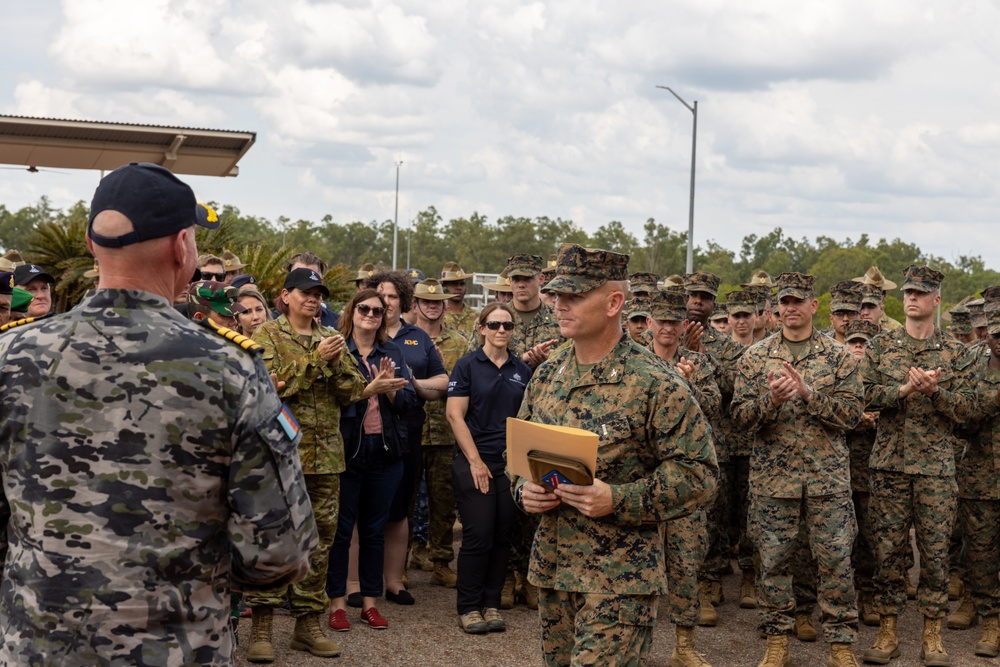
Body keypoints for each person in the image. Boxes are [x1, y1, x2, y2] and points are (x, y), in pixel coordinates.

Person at [0, 161, 318, 665]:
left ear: (90, 244)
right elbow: (277, 554)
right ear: (182, 246)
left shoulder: (12, 354)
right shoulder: (230, 367)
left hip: (40, 646)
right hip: (176, 647)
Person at [512, 243, 717, 667]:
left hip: (620, 578)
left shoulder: (654, 382)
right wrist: (523, 491)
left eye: (574, 296)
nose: (560, 305)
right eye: (557, 295)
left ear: (614, 303)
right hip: (553, 569)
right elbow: (518, 455)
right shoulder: (548, 374)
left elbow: (699, 473)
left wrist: (620, 499)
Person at [244, 267, 380, 662]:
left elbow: (353, 390)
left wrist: (336, 364)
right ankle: (263, 628)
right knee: (273, 540)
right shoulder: (266, 336)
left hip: (325, 459)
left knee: (318, 545)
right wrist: (316, 361)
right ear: (286, 296)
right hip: (280, 458)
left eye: (318, 293)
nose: (313, 299)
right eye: (305, 292)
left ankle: (307, 625)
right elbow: (269, 385)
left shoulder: (330, 337)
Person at [731, 272, 864, 667]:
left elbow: (853, 416)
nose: (790, 308)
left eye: (797, 301)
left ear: (813, 306)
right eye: (784, 302)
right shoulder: (756, 357)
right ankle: (777, 640)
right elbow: (738, 417)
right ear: (775, 309)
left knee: (837, 561)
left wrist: (809, 394)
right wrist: (769, 402)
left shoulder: (837, 355)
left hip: (827, 480)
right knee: (772, 562)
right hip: (775, 480)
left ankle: (840, 644)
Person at [861, 265, 979, 667]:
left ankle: (932, 635)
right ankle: (888, 629)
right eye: (908, 291)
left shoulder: (956, 353)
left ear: (936, 300)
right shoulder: (880, 347)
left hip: (936, 470)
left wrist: (935, 393)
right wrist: (904, 389)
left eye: (921, 292)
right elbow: (863, 395)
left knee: (935, 554)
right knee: (888, 551)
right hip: (889, 467)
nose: (912, 298)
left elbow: (968, 411)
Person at [356, 272, 448, 605]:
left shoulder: (418, 338)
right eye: (379, 296)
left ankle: (394, 580)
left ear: (403, 301)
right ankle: (356, 583)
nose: (385, 302)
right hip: (362, 432)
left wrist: (416, 386)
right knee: (359, 510)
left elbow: (443, 380)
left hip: (406, 431)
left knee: (398, 509)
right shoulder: (358, 334)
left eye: (392, 297)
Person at [327, 289, 416, 632]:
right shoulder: (336, 348)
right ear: (352, 311)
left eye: (377, 311)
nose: (370, 314)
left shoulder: (391, 350)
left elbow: (407, 403)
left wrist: (389, 389)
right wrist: (370, 388)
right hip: (347, 451)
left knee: (375, 531)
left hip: (385, 451)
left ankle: (370, 603)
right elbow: (332, 398)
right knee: (341, 532)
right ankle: (336, 603)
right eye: (364, 308)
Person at [645, 288, 721, 666]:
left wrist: (686, 385)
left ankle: (684, 646)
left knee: (686, 562)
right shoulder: (636, 363)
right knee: (640, 564)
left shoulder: (698, 362)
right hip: (643, 478)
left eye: (675, 321)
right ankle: (637, 645)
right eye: (661, 321)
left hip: (685, 480)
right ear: (648, 324)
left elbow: (714, 409)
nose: (668, 329)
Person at [446, 303, 532, 635]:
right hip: (474, 460)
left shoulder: (521, 371)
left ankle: (491, 603)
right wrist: (476, 462)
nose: (501, 331)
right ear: (481, 328)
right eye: (494, 325)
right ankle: (468, 607)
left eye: (507, 326)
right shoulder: (467, 366)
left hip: (510, 465)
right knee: (478, 534)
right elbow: (455, 415)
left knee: (502, 535)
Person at [683, 272, 745, 625]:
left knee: (711, 520)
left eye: (704, 297)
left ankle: (707, 583)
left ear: (713, 305)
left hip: (712, 443)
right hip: (670, 445)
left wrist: (701, 355)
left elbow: (731, 390)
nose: (697, 302)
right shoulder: (663, 335)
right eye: (692, 295)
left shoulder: (728, 349)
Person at [505, 253, 563, 609]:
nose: (521, 284)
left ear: (541, 279)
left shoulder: (555, 321)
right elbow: (474, 362)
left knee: (537, 499)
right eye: (515, 278)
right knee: (507, 500)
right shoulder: (497, 319)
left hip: (543, 418)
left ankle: (529, 577)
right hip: (501, 419)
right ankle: (508, 576)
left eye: (527, 278)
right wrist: (523, 361)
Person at [951, 301, 1000, 657]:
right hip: (981, 478)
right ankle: (991, 621)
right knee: (980, 554)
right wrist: (994, 400)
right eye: (996, 334)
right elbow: (960, 422)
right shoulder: (971, 364)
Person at [843, 319, 882, 628]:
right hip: (836, 474)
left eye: (865, 342)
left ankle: (866, 595)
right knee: (838, 541)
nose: (858, 346)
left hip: (870, 474)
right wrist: (853, 421)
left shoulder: (878, 380)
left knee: (869, 538)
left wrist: (874, 420)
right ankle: (836, 598)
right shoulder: (835, 376)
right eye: (853, 341)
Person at [286, 251, 340, 328]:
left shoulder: (337, 322)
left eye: (312, 277)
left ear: (321, 281)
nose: (307, 282)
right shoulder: (271, 322)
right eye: (299, 275)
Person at [853, 266, 902, 331]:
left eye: (877, 293)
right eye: (866, 290)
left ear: (884, 296)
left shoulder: (896, 328)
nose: (866, 312)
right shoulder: (849, 323)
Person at [441, 261, 478, 339]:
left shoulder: (477, 317)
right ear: (444, 287)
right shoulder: (438, 316)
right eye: (454, 284)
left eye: (462, 284)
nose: (459, 287)